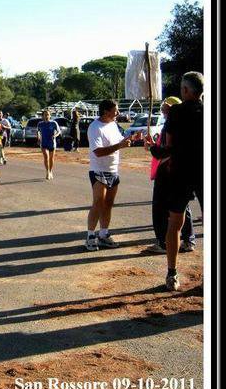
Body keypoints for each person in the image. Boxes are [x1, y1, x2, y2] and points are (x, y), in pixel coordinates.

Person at [160, 72, 204, 291]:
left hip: (181, 172)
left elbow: (168, 145)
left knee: (175, 223)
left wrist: (154, 149)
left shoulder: (176, 111)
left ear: (186, 90)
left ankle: (172, 274)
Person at [85, 99, 141, 251]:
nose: (118, 113)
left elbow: (119, 142)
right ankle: (90, 236)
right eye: (115, 110)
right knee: (98, 203)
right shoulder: (95, 127)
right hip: (99, 170)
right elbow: (98, 152)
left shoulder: (113, 125)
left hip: (113, 170)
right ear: (106, 111)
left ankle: (104, 234)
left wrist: (131, 139)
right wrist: (120, 146)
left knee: (108, 204)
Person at [143, 96, 195, 255]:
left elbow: (166, 152)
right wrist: (153, 145)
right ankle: (188, 239)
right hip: (182, 172)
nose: (162, 109)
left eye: (165, 107)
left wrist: (152, 148)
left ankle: (163, 242)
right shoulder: (186, 123)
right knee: (182, 207)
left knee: (161, 208)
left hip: (168, 172)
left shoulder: (172, 125)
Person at [37, 110, 61, 180]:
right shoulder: (40, 124)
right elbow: (38, 131)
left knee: (51, 158)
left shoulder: (53, 123)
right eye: (45, 115)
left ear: (50, 115)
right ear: (43, 116)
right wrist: (38, 138)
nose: (46, 116)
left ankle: (50, 171)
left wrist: (55, 135)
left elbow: (59, 131)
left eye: (48, 114)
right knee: (46, 157)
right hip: (44, 143)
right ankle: (47, 172)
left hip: (52, 143)